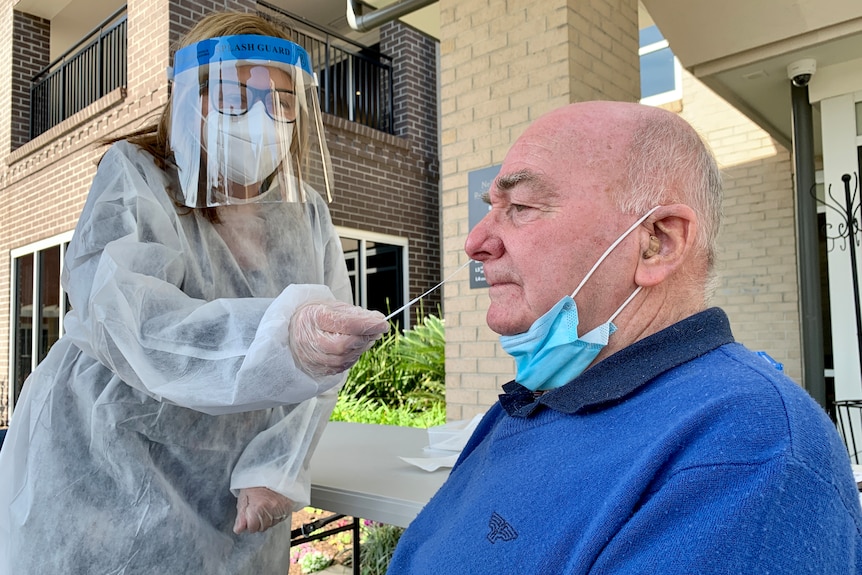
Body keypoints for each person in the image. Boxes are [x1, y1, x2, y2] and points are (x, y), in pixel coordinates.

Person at [387, 101, 862, 574]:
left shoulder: (749, 454)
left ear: (657, 242)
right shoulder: (543, 393)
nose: (475, 243)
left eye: (521, 207)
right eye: (491, 208)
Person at [0, 12, 389, 575]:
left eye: (281, 102)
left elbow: (324, 368)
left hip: (232, 497)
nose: (263, 118)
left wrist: (278, 463)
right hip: (105, 468)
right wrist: (281, 338)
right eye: (235, 95)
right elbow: (128, 320)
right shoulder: (138, 178)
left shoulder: (304, 214)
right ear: (189, 100)